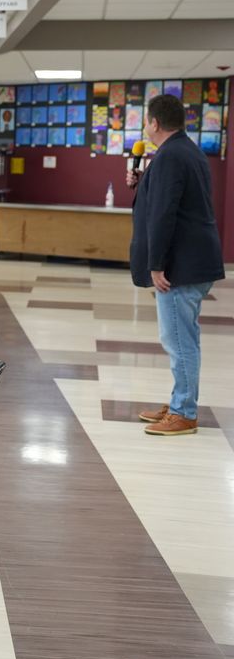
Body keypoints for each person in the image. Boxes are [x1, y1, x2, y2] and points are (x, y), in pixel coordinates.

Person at [128, 94, 225, 436]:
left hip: (180, 265)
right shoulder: (187, 150)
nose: (145, 127)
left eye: (146, 122)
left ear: (154, 123)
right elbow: (171, 203)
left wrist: (157, 264)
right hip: (193, 259)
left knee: (180, 341)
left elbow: (165, 213)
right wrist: (143, 183)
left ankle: (184, 412)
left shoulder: (171, 155)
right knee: (183, 338)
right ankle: (180, 401)